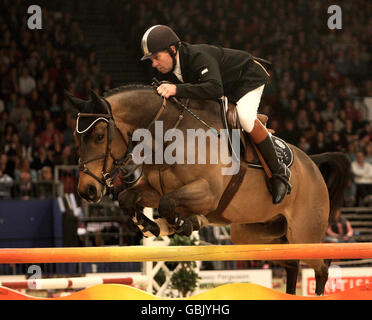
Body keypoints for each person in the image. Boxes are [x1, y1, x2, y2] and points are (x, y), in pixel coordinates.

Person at [140, 25, 291, 204]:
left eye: (156, 57)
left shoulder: (197, 57)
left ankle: (279, 172)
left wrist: (176, 89)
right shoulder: (171, 68)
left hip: (247, 79)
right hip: (226, 86)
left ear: (172, 50)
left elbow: (214, 88)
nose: (154, 64)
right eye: (151, 60)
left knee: (244, 117)